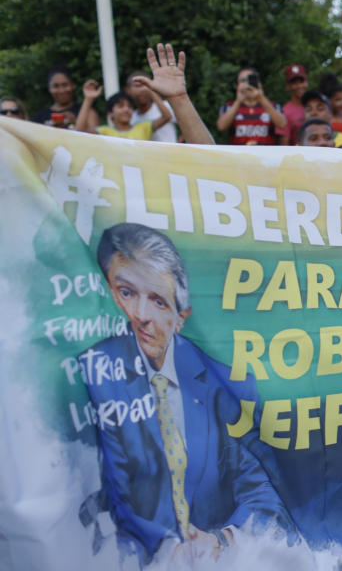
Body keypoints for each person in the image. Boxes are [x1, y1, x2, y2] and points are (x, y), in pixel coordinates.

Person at [82, 223, 291, 564]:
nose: (140, 316)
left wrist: (223, 539)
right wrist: (168, 551)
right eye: (126, 292)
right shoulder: (88, 372)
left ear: (181, 318)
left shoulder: (223, 383)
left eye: (158, 301)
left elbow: (262, 492)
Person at [77, 80, 172, 140]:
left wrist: (151, 93)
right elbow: (80, 131)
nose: (126, 109)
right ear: (110, 113)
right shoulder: (104, 132)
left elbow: (167, 117)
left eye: (130, 106)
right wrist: (88, 99)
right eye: (120, 106)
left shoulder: (143, 127)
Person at [216, 67, 287, 145]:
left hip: (265, 155)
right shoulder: (229, 106)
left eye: (250, 79)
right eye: (243, 80)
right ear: (237, 85)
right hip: (238, 155)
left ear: (258, 82)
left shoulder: (273, 105)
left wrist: (261, 98)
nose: (247, 83)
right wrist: (238, 101)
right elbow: (221, 127)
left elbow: (282, 124)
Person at [32, 65, 97, 130]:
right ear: (49, 88)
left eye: (65, 85)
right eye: (56, 86)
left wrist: (75, 122)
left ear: (73, 85)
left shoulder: (88, 112)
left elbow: (98, 137)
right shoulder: (39, 116)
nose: (61, 91)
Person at [126, 71, 178, 143]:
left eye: (146, 86)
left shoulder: (166, 106)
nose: (142, 90)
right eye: (138, 86)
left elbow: (187, 126)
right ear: (128, 90)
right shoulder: (131, 117)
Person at [281, 63, 309, 145]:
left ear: (307, 82)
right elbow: (284, 146)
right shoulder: (285, 112)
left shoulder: (315, 106)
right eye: (294, 83)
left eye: (302, 81)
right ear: (287, 86)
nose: (299, 86)